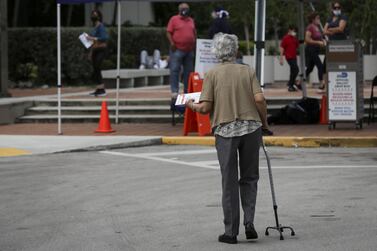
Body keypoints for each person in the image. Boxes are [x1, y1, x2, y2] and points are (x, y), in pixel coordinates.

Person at [185, 33, 272, 244]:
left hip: (225, 132)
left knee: (229, 180)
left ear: (216, 52)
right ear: (235, 51)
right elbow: (260, 99)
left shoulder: (212, 74)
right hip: (251, 129)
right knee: (250, 177)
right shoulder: (247, 71)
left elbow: (205, 108)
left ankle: (231, 232)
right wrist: (265, 124)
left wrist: (190, 105)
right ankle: (249, 222)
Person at [166, 2, 196, 99]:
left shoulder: (191, 20)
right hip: (177, 49)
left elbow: (194, 33)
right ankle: (174, 91)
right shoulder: (174, 19)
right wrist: (172, 43)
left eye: (187, 8)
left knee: (189, 72)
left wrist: (194, 43)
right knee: (175, 70)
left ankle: (187, 90)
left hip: (189, 50)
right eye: (183, 8)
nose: (185, 10)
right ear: (179, 10)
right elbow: (168, 32)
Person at [87, 9, 109, 97]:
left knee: (97, 67)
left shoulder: (101, 27)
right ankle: (99, 89)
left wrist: (93, 38)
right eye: (92, 14)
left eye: (95, 15)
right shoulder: (94, 28)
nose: (93, 16)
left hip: (101, 50)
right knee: (95, 69)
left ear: (99, 17)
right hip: (95, 50)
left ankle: (102, 89)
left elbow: (104, 38)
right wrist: (90, 53)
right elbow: (93, 43)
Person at [305, 12, 326, 93]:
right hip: (311, 49)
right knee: (320, 66)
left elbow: (319, 38)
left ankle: (299, 82)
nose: (319, 20)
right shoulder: (310, 27)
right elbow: (307, 39)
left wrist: (323, 41)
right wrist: (318, 42)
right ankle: (321, 83)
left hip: (316, 50)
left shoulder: (317, 27)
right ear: (313, 19)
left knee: (310, 68)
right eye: (317, 18)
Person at [280, 25, 301, 92]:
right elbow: (282, 47)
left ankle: (291, 85)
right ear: (289, 30)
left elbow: (298, 45)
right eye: (293, 31)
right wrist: (281, 58)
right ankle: (291, 83)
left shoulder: (294, 38)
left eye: (295, 31)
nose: (294, 32)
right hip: (289, 57)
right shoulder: (285, 38)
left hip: (294, 57)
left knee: (293, 71)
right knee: (296, 70)